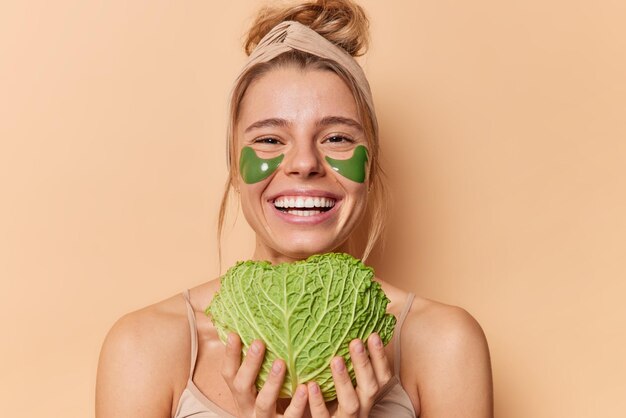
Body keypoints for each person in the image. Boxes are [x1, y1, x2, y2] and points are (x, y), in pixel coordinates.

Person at [95, 1, 493, 417]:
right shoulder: (145, 347)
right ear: (234, 168)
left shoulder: (443, 345)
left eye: (337, 138)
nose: (304, 163)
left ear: (370, 165)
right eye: (269, 139)